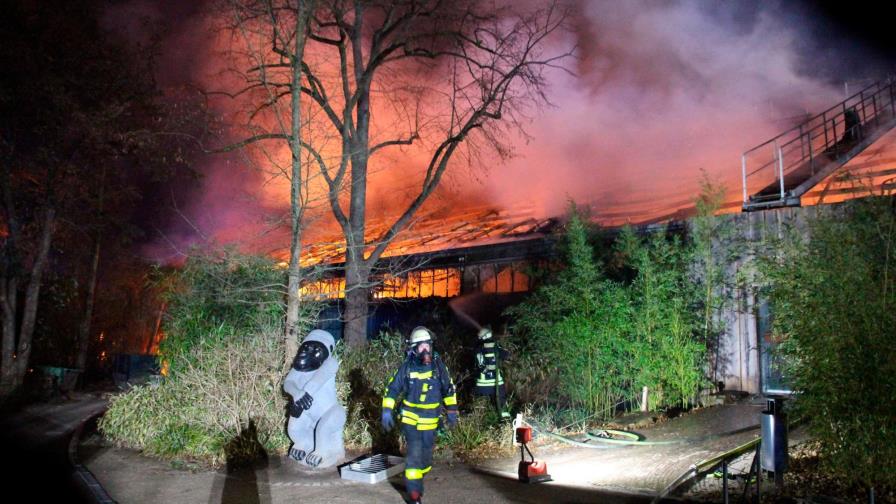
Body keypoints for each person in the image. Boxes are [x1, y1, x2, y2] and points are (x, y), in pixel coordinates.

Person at [381, 326, 458, 504]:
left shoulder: (439, 367)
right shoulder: (406, 368)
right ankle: (414, 495)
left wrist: (452, 410)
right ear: (413, 349)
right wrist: (387, 410)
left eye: (427, 346)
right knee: (414, 457)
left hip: (431, 421)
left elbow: (449, 389)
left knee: (426, 460)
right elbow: (392, 389)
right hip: (411, 420)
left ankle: (413, 480)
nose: (425, 350)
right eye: (421, 346)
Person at [283, 329, 346, 469]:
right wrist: (296, 394)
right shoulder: (298, 368)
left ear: (327, 351)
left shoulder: (331, 363)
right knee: (293, 428)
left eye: (315, 348)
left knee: (323, 429)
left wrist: (301, 397)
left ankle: (322, 452)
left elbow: (317, 381)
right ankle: (304, 444)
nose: (308, 351)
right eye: (306, 346)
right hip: (307, 412)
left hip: (331, 412)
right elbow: (288, 384)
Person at [473, 327, 510, 418]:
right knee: (501, 402)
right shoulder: (495, 346)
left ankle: (480, 421)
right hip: (497, 382)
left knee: (480, 405)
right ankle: (504, 421)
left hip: (481, 384)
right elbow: (506, 355)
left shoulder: (478, 348)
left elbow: (477, 363)